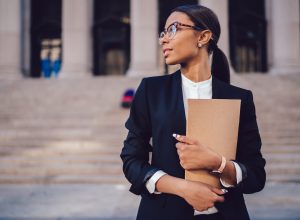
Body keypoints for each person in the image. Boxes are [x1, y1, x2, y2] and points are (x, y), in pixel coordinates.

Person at [120, 4, 266, 220]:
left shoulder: (240, 98)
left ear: (203, 36)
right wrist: (183, 188)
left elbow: (256, 175)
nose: (163, 39)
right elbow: (131, 160)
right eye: (163, 32)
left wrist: (218, 164)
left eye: (173, 29)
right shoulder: (151, 90)